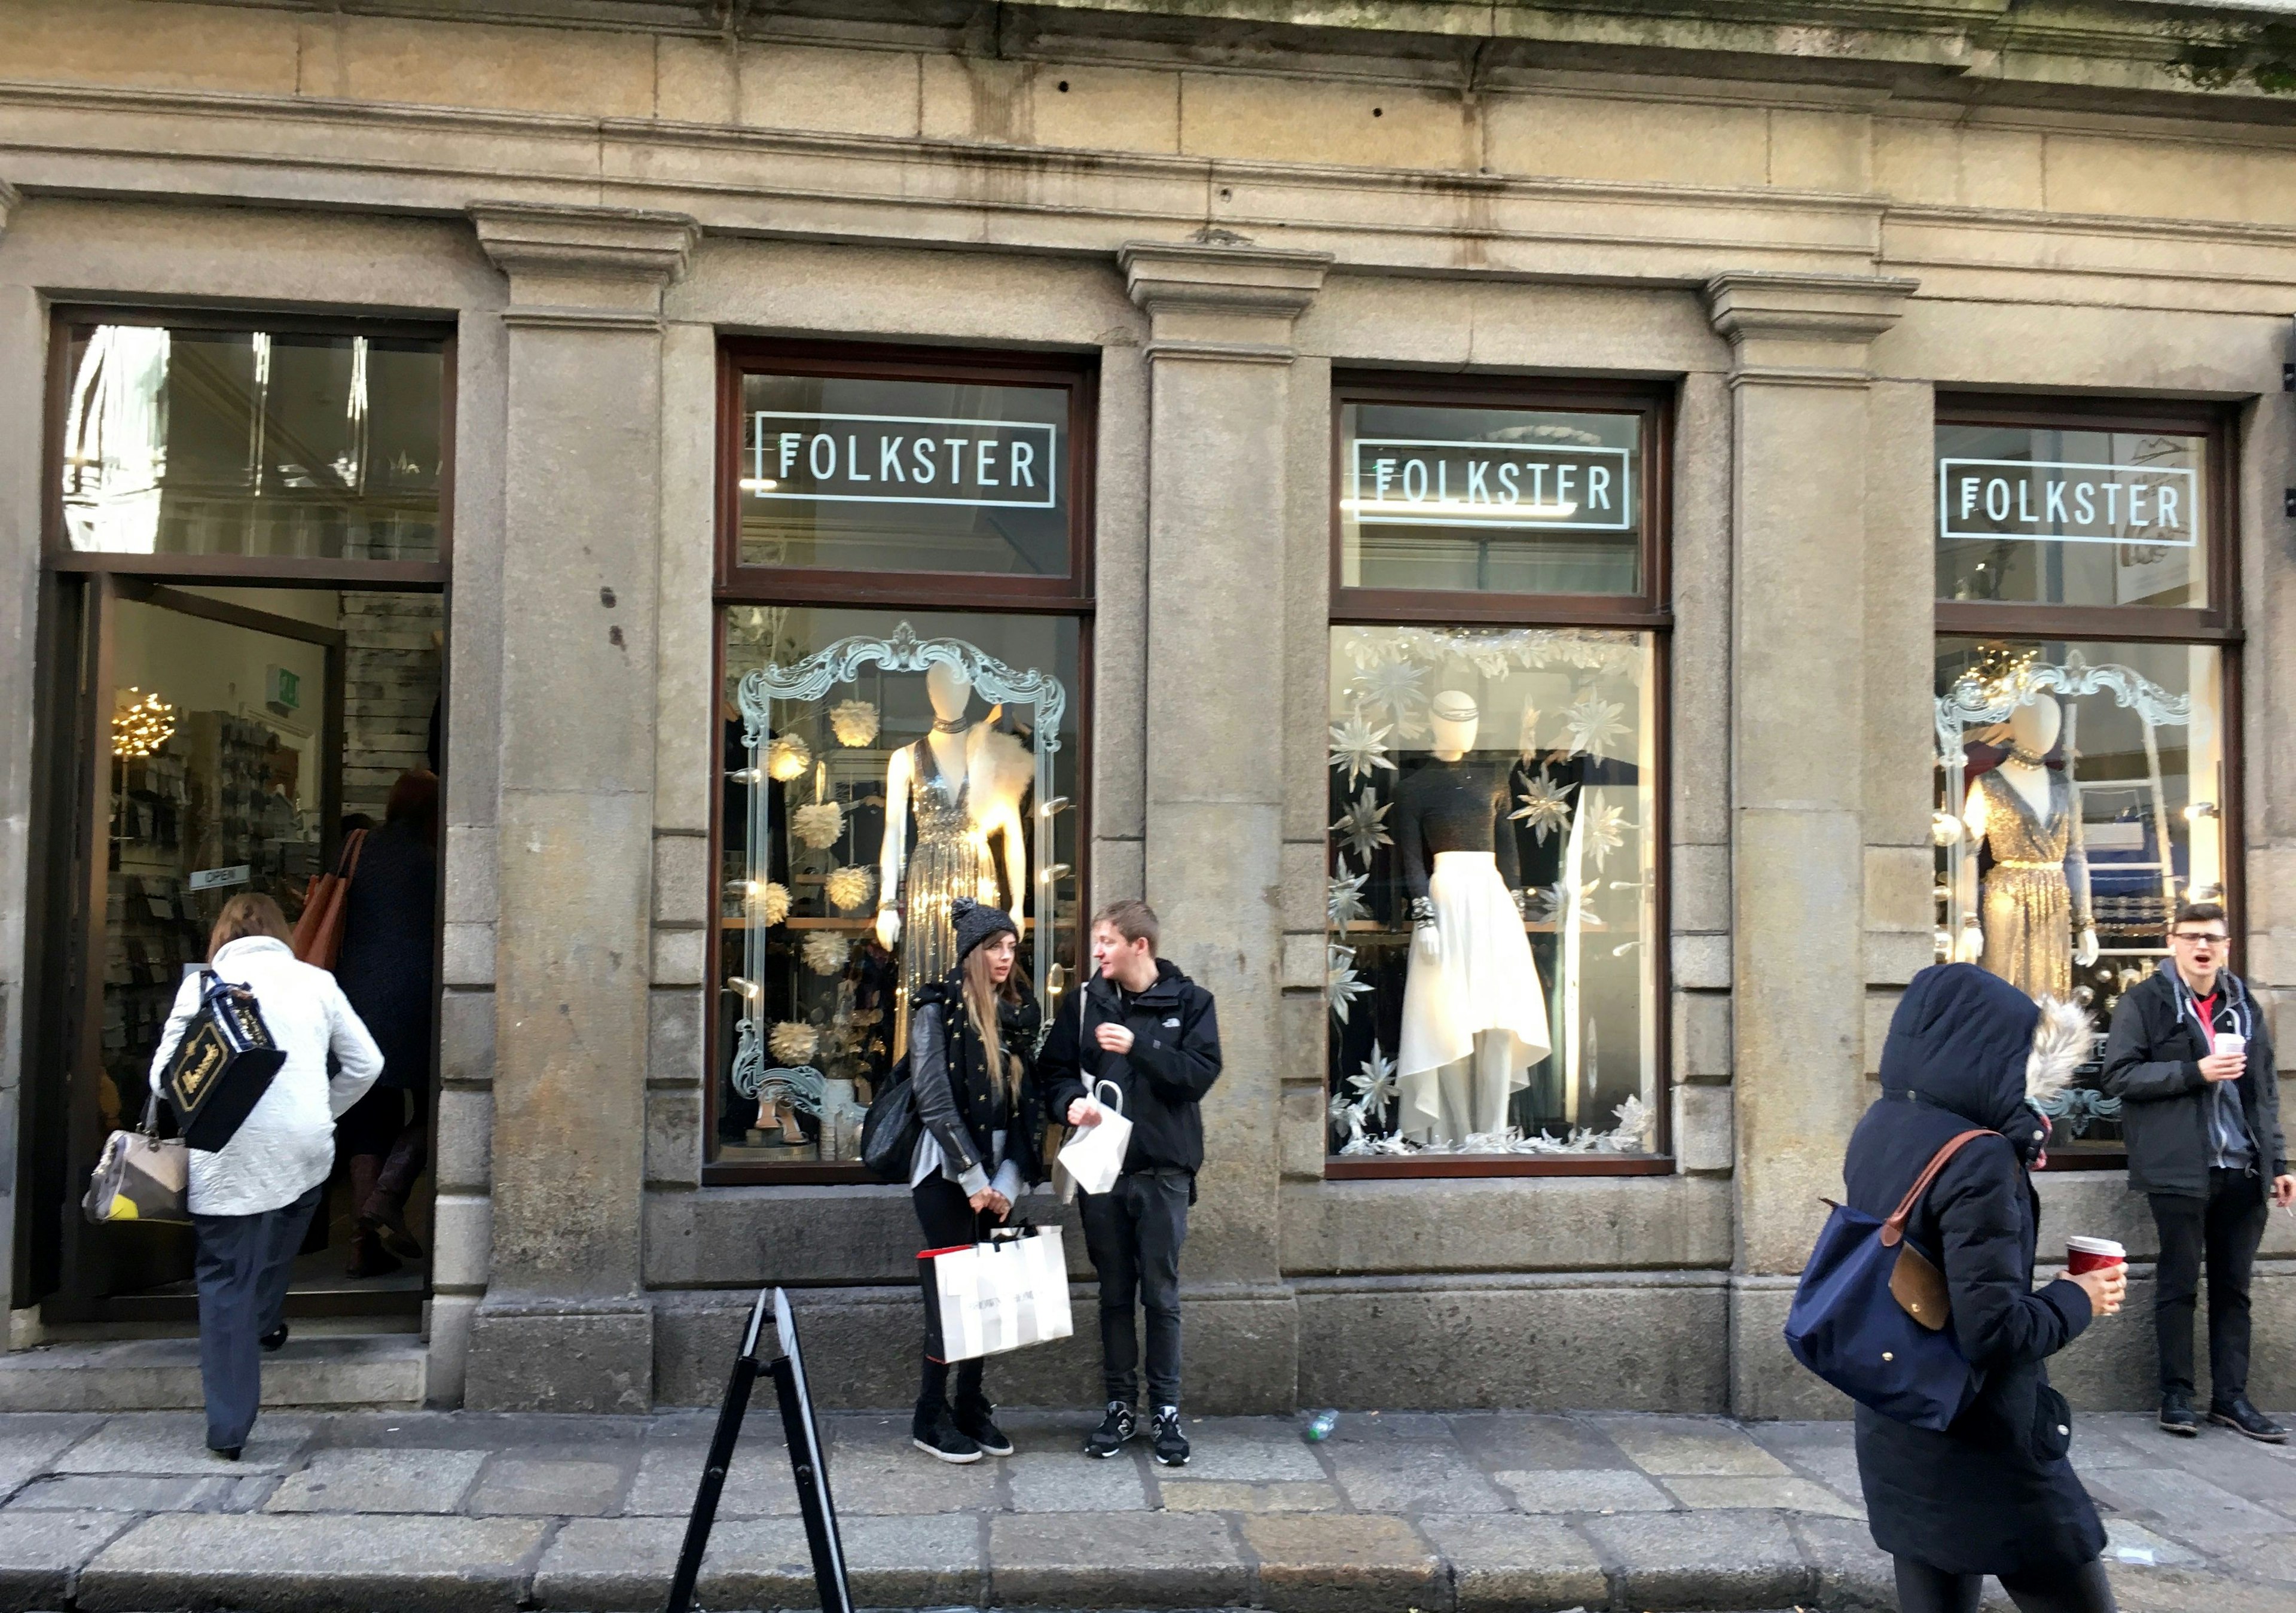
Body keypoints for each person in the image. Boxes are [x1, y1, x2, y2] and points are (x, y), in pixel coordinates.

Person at [1849, 963, 2126, 1613]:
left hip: (1899, 1420)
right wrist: (2077, 1297)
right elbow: (1993, 1333)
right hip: (1986, 1449)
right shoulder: (1979, 1156)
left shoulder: (1883, 1125)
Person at [150, 894, 383, 1460]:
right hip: (304, 1145)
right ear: (283, 931)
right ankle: (265, 1320)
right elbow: (368, 1063)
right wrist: (323, 1109)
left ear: (223, 935)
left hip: (225, 1150)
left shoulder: (204, 985)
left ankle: (229, 1428)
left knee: (227, 1276)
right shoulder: (316, 982)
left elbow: (163, 1081)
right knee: (282, 1232)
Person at [2100, 900, 2291, 1441]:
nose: (2201, 947)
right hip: (2180, 1168)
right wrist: (2194, 1071)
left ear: (2226, 946)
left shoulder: (2243, 1005)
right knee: (2178, 1284)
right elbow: (2118, 1076)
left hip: (2243, 1167)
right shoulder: (2145, 1001)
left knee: (2235, 1289)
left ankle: (2231, 1399)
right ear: (2172, 943)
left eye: (2211, 937)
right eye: (2190, 937)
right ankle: (2176, 1396)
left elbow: (2266, 1092)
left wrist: (2278, 1162)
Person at [1042, 899, 1222, 1468]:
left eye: (1107, 941)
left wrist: (1140, 1047)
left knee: (1161, 1296)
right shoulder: (1082, 1005)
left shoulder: (1192, 1003)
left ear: (1140, 945)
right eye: (1097, 942)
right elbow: (1053, 1072)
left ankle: (1166, 1410)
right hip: (1102, 1174)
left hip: (1164, 1174)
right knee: (1114, 1295)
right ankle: (1120, 1405)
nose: (1097, 952)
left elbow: (1198, 1076)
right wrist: (1069, 1103)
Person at [906, 896, 1046, 1463]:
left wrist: (1007, 1183)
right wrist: (972, 1177)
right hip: (945, 1169)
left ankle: (969, 1404)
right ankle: (929, 1413)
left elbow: (1026, 1110)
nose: (1007, 957)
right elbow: (934, 1097)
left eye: (1012, 947)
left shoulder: (1018, 1016)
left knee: (986, 1293)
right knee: (953, 1291)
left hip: (996, 1175)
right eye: (996, 947)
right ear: (972, 952)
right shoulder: (935, 1008)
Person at [332, 770, 441, 1277]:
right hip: (419, 1000)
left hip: (354, 998)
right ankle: (388, 1194)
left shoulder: (357, 847)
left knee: (369, 1118)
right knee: (439, 1100)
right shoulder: (435, 858)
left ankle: (361, 1244)